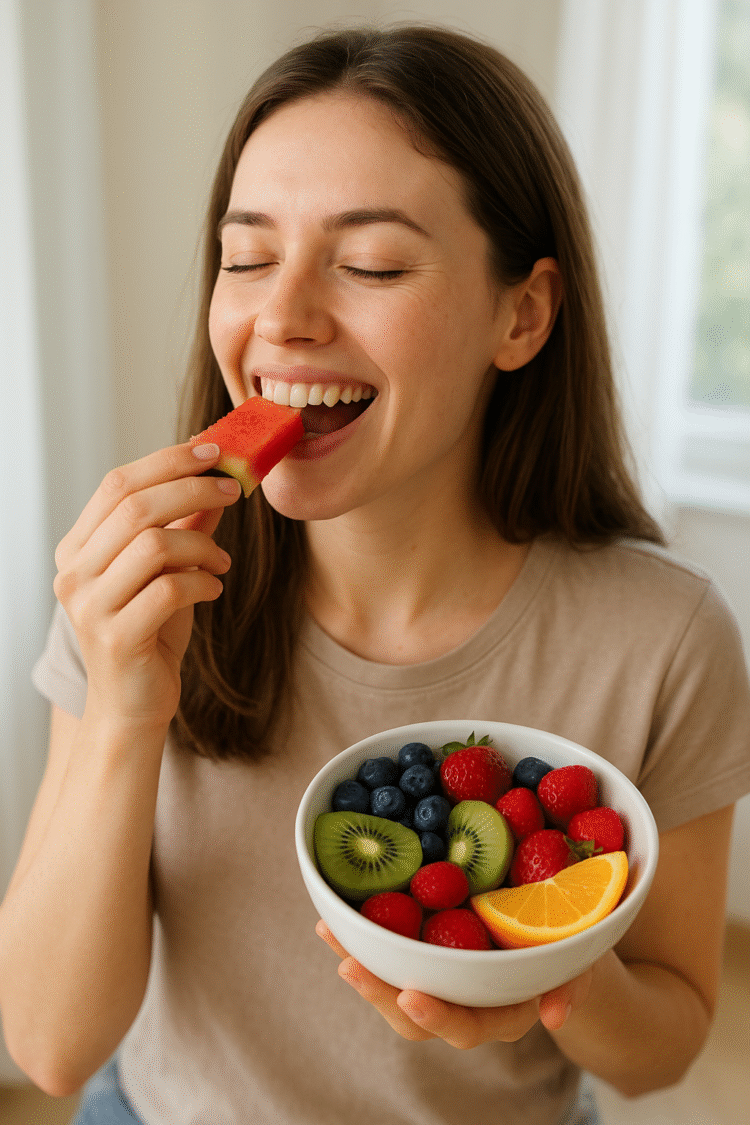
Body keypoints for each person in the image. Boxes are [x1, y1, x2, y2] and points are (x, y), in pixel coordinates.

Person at [1, 23, 748, 1125]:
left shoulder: (663, 637)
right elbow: (53, 1052)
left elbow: (659, 1055)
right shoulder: (144, 587)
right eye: (246, 256)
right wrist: (121, 706)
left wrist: (546, 975)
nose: (281, 318)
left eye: (371, 265)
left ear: (522, 313)